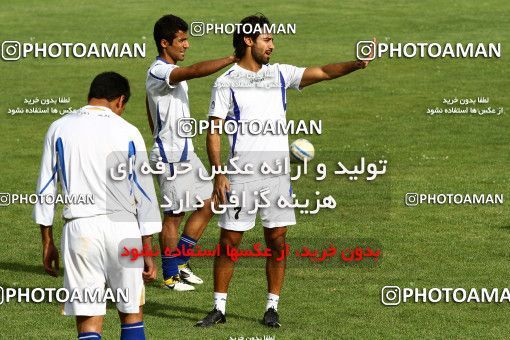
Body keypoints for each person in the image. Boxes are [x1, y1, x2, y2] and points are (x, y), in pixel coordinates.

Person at [196, 14, 375, 327]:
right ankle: (219, 308)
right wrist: (219, 172)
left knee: (277, 239)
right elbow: (214, 130)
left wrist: (355, 64)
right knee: (230, 241)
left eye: (273, 40)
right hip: (242, 174)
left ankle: (272, 308)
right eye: (267, 39)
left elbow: (321, 72)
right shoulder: (225, 82)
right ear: (249, 40)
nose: (272, 46)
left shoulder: (279, 74)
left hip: (277, 174)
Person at [34, 72, 162, 340]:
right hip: (123, 230)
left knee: (90, 322)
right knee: (131, 314)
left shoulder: (59, 127)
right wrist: (147, 249)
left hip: (80, 231)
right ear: (120, 101)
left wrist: (47, 241)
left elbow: (46, 189)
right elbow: (144, 192)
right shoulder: (128, 131)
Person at [146, 14, 237, 291]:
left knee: (212, 201)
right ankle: (171, 276)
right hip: (170, 156)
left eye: (187, 39)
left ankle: (182, 263)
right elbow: (195, 71)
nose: (186, 45)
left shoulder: (169, 71)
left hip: (186, 153)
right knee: (174, 215)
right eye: (181, 40)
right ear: (165, 43)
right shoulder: (159, 71)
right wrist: (233, 59)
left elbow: (153, 110)